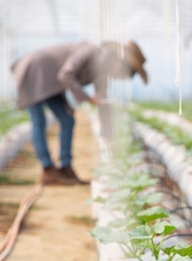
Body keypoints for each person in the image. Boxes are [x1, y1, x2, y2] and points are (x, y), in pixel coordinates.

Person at [11, 40, 148, 185]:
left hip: (50, 83)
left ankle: (65, 168)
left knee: (67, 119)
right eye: (123, 76)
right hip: (33, 70)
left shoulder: (102, 72)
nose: (119, 79)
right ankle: (48, 170)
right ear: (120, 65)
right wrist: (87, 98)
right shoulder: (90, 52)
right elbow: (65, 74)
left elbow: (103, 103)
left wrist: (108, 136)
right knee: (39, 120)